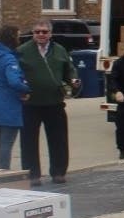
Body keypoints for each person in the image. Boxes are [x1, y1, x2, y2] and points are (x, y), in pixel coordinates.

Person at [18, 19, 81, 186]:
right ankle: (33, 174)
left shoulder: (59, 51)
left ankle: (58, 172)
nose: (41, 34)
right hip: (31, 104)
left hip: (55, 102)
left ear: (50, 34)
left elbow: (70, 70)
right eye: (37, 31)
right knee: (29, 141)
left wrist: (74, 81)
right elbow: (16, 74)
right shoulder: (23, 51)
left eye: (44, 32)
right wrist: (21, 90)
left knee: (58, 139)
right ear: (33, 33)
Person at [0, 25, 31, 170]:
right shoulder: (9, 58)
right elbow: (14, 81)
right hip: (9, 104)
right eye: (18, 36)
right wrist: (27, 89)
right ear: (12, 39)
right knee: (7, 143)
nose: (19, 39)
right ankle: (3, 172)